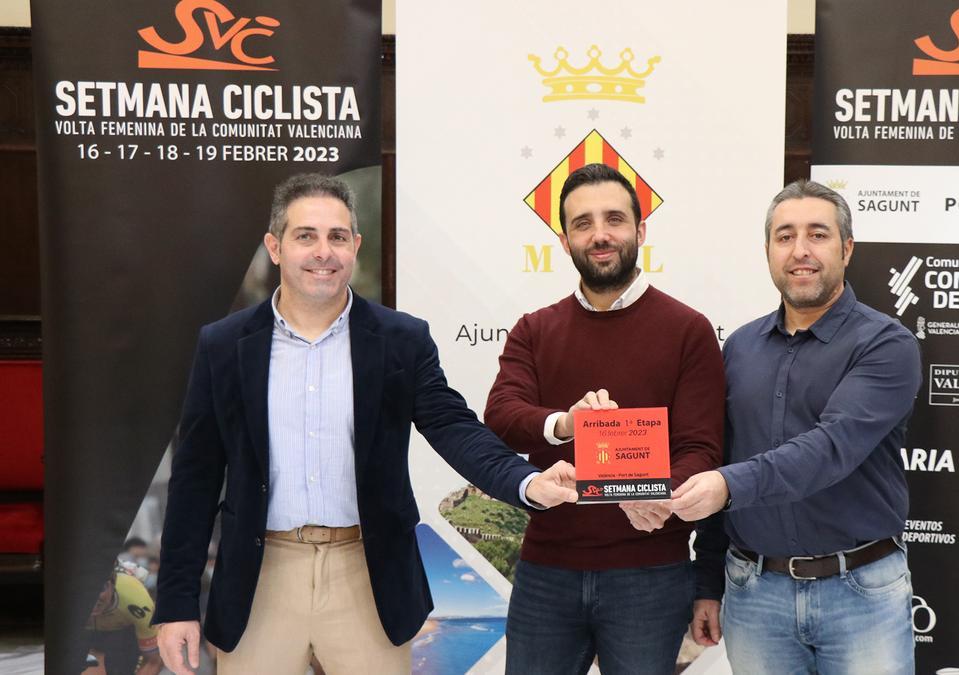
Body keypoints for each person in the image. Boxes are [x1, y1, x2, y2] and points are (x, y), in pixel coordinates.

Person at [151, 173, 578, 675]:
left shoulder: (402, 341)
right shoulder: (223, 345)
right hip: (259, 577)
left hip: (368, 576)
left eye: (337, 237)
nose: (322, 252)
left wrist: (526, 481)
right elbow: (195, 479)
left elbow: (454, 428)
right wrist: (177, 603)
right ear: (275, 246)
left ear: (355, 246)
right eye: (305, 236)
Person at [671, 179, 922, 674]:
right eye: (784, 236)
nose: (800, 251)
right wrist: (707, 583)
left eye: (818, 234)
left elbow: (831, 447)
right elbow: (723, 456)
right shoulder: (739, 348)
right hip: (753, 591)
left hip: (861, 593)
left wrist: (726, 485)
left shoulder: (886, 344)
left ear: (847, 248)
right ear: (767, 250)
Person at [484, 163, 725, 674]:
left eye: (614, 219)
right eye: (582, 223)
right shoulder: (535, 329)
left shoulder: (689, 330)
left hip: (651, 574)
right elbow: (502, 413)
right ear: (566, 239)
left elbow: (701, 448)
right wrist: (565, 424)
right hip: (547, 569)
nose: (599, 235)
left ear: (639, 231)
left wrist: (657, 494)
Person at [85, 565, 163, 675]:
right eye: (84, 590)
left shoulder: (136, 600)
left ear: (113, 585)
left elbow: (154, 660)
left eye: (100, 589)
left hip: (125, 631)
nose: (92, 597)